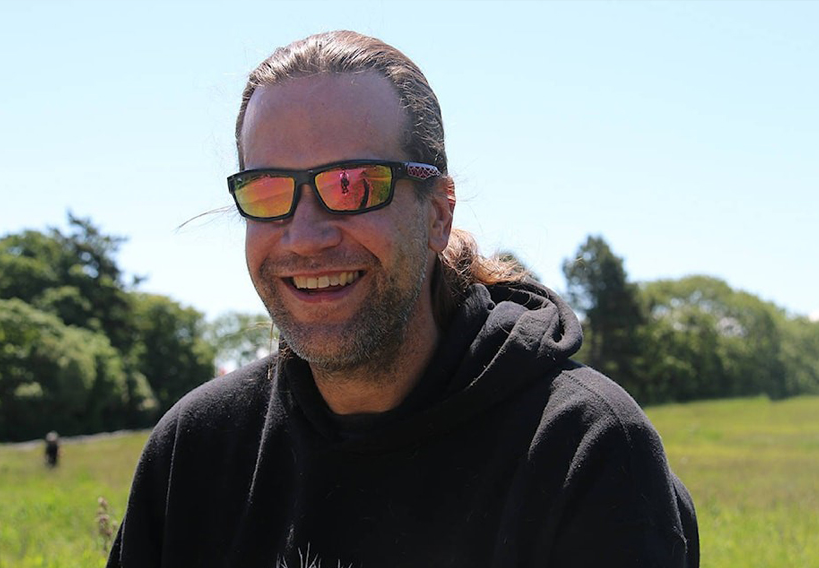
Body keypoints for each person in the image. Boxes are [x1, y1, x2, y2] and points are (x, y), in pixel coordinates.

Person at [108, 31, 699, 568]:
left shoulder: (581, 448)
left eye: (353, 185)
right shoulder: (196, 452)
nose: (307, 236)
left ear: (437, 214)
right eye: (268, 191)